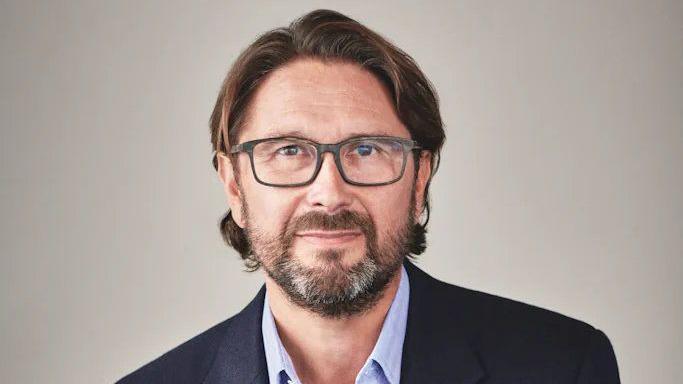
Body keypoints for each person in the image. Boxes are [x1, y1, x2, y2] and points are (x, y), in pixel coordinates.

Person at [118, 9, 620, 384]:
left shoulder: (563, 366)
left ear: (420, 177)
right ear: (234, 184)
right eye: (289, 150)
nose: (329, 193)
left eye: (365, 149)